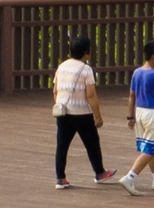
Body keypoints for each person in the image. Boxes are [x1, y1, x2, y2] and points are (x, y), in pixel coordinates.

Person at [53, 35, 130, 192]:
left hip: (63, 113)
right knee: (92, 143)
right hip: (81, 113)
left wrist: (59, 103)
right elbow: (91, 95)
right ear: (86, 52)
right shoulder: (86, 70)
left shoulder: (62, 66)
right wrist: (98, 115)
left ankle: (60, 178)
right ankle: (99, 172)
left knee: (62, 146)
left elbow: (55, 90)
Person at [120, 41, 154, 192]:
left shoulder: (137, 72)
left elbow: (131, 96)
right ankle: (130, 177)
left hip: (139, 111)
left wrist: (130, 117)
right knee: (150, 149)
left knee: (152, 146)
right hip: (152, 113)